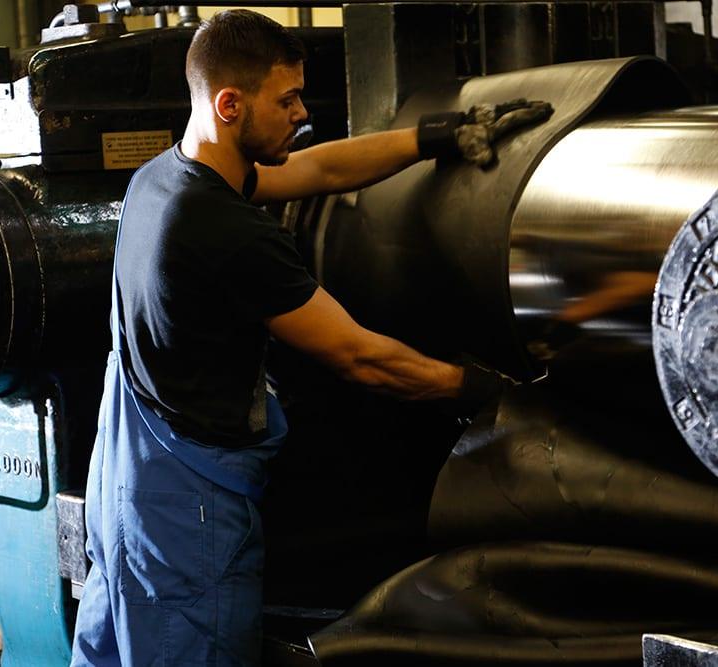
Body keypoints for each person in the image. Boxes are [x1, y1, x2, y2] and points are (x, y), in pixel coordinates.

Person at [70, 9, 551, 666]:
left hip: (125, 488)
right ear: (230, 103)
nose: (300, 112)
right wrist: (480, 388)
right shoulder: (229, 233)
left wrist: (436, 137)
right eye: (287, 98)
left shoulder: (161, 179)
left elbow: (318, 171)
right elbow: (360, 357)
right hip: (190, 522)